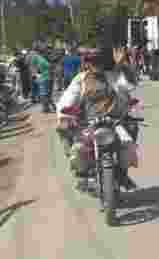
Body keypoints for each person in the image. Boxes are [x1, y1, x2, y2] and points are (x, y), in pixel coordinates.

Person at [57, 47, 139, 190]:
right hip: (88, 124)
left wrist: (123, 65)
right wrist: (65, 117)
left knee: (131, 132)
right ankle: (81, 173)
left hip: (113, 123)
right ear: (87, 63)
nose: (96, 65)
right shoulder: (80, 79)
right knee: (67, 136)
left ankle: (123, 172)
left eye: (99, 62)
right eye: (92, 62)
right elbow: (67, 99)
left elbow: (130, 85)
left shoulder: (111, 76)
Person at [28, 46, 52, 113]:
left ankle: (46, 108)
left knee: (43, 93)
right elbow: (49, 66)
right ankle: (47, 107)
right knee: (45, 93)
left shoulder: (35, 57)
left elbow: (33, 67)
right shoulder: (41, 58)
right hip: (45, 77)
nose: (30, 54)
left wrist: (36, 75)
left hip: (43, 77)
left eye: (32, 52)